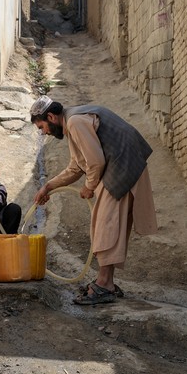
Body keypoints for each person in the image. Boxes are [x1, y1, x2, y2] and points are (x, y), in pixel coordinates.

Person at [29, 95, 158, 305]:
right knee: (107, 224)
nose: (44, 132)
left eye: (42, 127)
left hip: (123, 166)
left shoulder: (75, 122)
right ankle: (105, 281)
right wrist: (48, 186)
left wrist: (89, 186)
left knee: (106, 225)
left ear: (51, 117)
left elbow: (95, 162)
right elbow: (76, 167)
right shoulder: (73, 121)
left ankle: (105, 284)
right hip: (123, 164)